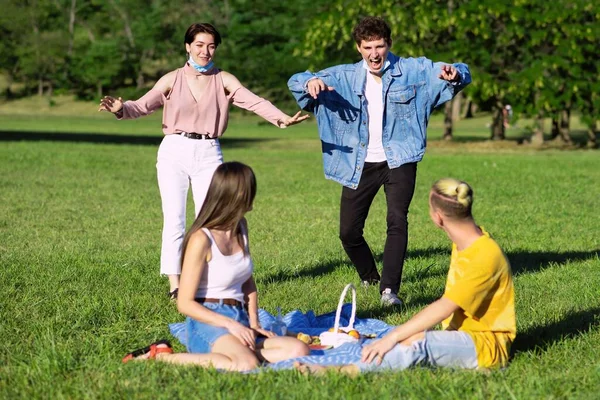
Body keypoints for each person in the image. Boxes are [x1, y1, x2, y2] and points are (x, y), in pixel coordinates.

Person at [99, 23, 308, 300]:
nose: (205, 51)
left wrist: (281, 117)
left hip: (209, 150)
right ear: (187, 46)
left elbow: (253, 101)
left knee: (210, 219)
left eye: (211, 46)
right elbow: (142, 105)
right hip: (174, 149)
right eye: (199, 45)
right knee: (174, 219)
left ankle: (206, 279)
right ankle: (175, 284)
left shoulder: (224, 80)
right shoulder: (172, 79)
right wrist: (121, 109)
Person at [288, 17, 471, 306]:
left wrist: (454, 73)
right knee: (348, 232)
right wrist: (310, 81)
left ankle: (389, 291)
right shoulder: (342, 76)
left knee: (397, 220)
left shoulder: (412, 70)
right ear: (358, 47)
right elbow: (296, 80)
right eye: (368, 47)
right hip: (360, 163)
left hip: (399, 158)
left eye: (380, 46)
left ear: (389, 44)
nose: (375, 53)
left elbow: (458, 71)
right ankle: (370, 277)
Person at [295, 178, 516, 375]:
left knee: (413, 343)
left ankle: (341, 371)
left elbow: (445, 306)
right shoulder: (469, 239)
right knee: (403, 337)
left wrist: (393, 336)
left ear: (438, 217)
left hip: (486, 346)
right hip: (462, 335)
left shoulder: (483, 255)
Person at [123, 162, 310, 370]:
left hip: (239, 317)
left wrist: (255, 323)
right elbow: (184, 303)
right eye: (250, 190)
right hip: (208, 321)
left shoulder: (241, 227)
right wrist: (230, 325)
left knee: (298, 349)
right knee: (246, 364)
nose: (253, 196)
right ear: (238, 194)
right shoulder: (201, 239)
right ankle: (160, 356)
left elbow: (248, 283)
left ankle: (240, 355)